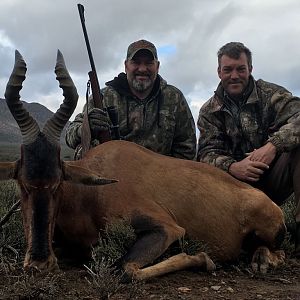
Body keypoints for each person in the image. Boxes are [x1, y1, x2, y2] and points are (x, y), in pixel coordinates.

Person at [197, 41, 300, 257]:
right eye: (228, 70)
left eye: (240, 69)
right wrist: (233, 167)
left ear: (250, 69)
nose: (234, 75)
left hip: (273, 179)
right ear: (219, 72)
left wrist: (274, 145)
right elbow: (206, 154)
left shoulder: (272, 95)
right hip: (235, 191)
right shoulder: (209, 111)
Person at [65, 39, 196, 160]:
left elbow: (187, 148)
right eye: (136, 62)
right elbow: (70, 136)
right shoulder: (104, 98)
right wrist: (87, 128)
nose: (142, 69)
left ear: (157, 66)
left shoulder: (174, 98)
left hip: (160, 177)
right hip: (112, 175)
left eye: (149, 63)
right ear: (126, 65)